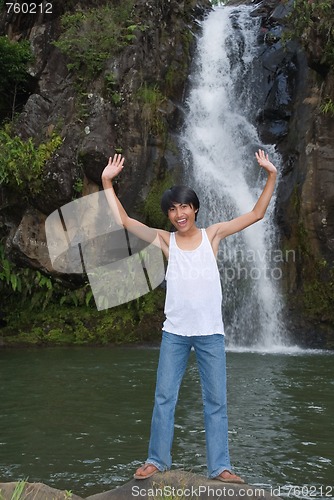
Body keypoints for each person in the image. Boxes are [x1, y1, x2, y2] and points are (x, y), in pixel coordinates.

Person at [101, 149, 277, 484]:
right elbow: (125, 222)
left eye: (184, 206)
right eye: (172, 209)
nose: (179, 213)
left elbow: (255, 214)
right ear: (168, 215)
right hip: (175, 334)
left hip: (210, 332)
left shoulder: (214, 235)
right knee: (164, 397)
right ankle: (156, 460)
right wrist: (107, 183)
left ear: (194, 208)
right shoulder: (166, 241)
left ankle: (221, 467)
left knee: (216, 402)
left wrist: (271, 175)